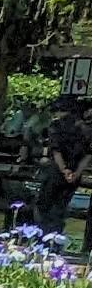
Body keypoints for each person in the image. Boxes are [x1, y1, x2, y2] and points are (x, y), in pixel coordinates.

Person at [34, 98, 86, 249]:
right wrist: (75, 173)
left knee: (44, 206)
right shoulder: (84, 128)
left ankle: (42, 241)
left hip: (56, 172)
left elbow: (56, 151)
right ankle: (56, 243)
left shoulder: (56, 125)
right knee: (60, 208)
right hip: (75, 175)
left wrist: (64, 170)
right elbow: (88, 155)